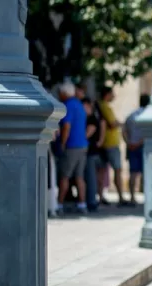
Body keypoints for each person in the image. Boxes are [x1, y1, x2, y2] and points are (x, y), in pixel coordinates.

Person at [55, 82, 89, 215]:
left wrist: (62, 143)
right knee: (80, 177)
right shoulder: (79, 104)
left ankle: (59, 205)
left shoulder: (68, 105)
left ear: (64, 93)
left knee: (65, 176)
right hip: (82, 145)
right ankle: (82, 204)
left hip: (72, 146)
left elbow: (66, 126)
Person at [98, 87, 127, 206]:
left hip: (106, 143)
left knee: (102, 171)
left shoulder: (100, 105)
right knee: (117, 170)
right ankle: (121, 196)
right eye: (112, 93)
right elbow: (112, 123)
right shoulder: (105, 106)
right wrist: (122, 124)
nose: (114, 96)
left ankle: (100, 196)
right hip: (111, 143)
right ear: (107, 94)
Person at [123, 94, 149, 206]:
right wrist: (139, 143)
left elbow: (124, 130)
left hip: (131, 146)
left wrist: (128, 142)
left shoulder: (131, 115)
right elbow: (148, 134)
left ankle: (132, 196)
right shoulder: (148, 115)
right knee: (146, 173)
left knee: (133, 173)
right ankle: (147, 197)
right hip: (143, 147)